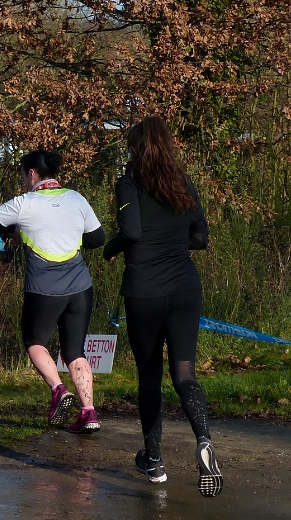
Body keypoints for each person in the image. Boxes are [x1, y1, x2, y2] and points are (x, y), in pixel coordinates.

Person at [102, 117, 221, 497]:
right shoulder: (182, 182)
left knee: (150, 375)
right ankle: (203, 439)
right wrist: (174, 238)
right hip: (185, 287)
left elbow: (132, 231)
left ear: (135, 148)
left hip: (146, 291)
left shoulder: (128, 183)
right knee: (185, 373)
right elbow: (201, 237)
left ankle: (154, 461)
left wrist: (110, 249)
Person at [0, 151, 105, 433]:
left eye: (24, 175)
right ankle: (89, 412)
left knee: (34, 341)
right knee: (75, 350)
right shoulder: (76, 198)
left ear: (32, 174)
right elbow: (98, 238)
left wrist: (16, 228)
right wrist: (69, 235)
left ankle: (59, 389)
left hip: (43, 288)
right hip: (80, 286)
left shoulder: (25, 202)